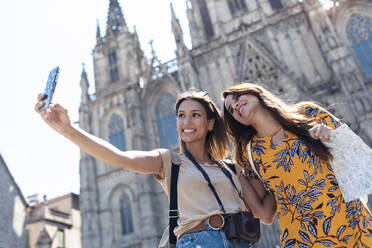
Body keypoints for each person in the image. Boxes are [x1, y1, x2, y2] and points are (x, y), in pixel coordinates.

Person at [35, 90, 276, 248]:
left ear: (210, 122)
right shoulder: (168, 161)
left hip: (239, 242)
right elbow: (120, 158)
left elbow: (265, 214)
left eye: (195, 115)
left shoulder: (232, 168)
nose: (186, 122)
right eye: (181, 115)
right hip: (197, 242)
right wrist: (68, 129)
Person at [222, 82, 372, 247]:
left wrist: (331, 135)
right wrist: (236, 171)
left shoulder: (308, 113)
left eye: (237, 97)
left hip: (351, 224)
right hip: (304, 239)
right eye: (231, 110)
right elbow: (265, 214)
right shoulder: (250, 153)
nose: (236, 106)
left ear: (254, 92)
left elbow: (357, 154)